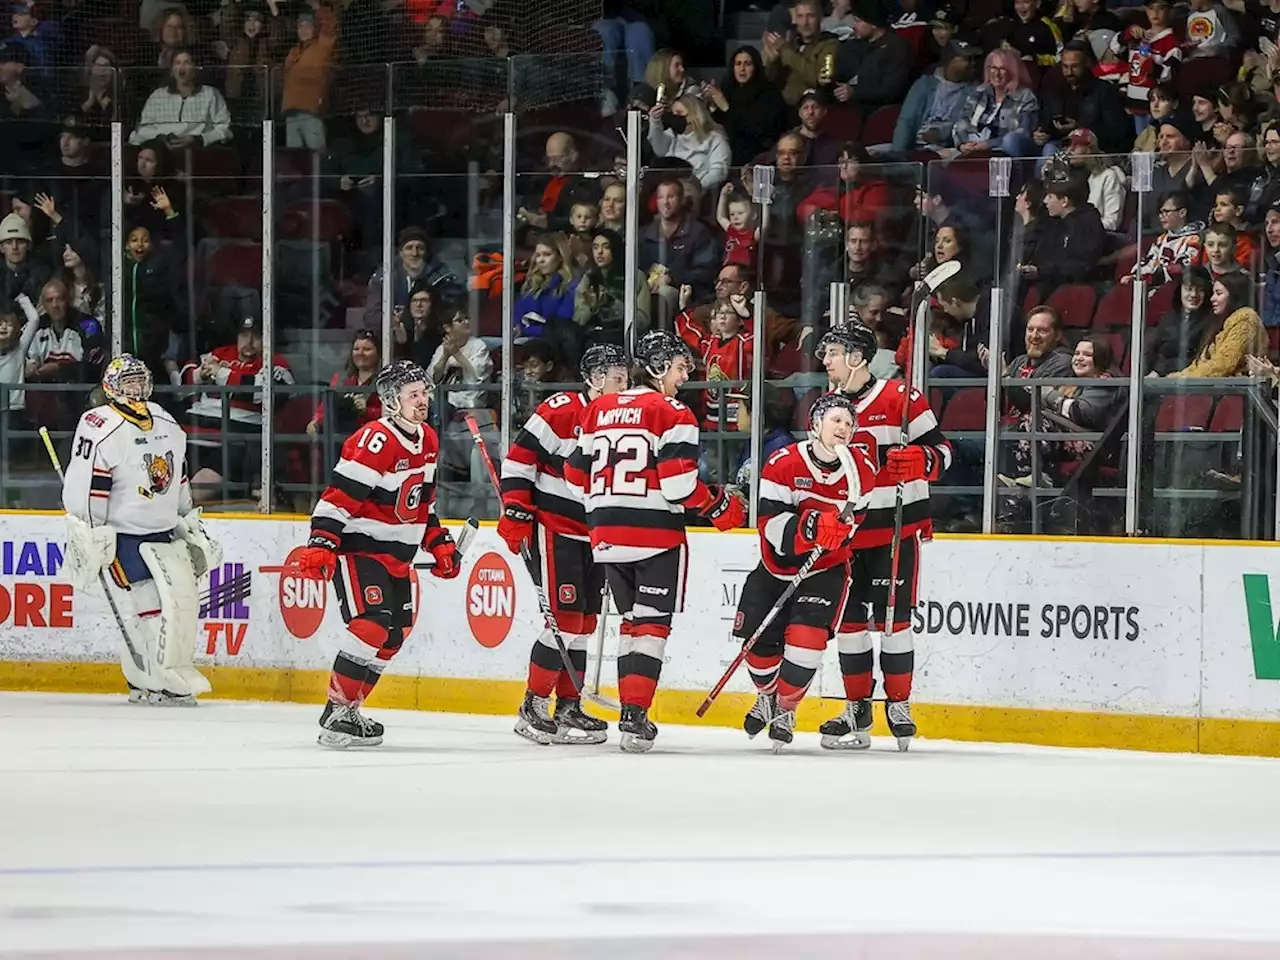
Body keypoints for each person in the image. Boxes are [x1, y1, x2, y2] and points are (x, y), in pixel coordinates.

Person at [565, 331, 747, 752]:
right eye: (681, 366)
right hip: (653, 533)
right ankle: (634, 715)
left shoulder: (599, 408)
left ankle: (632, 711)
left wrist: (606, 503)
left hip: (604, 531)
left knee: (631, 621)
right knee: (650, 624)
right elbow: (680, 484)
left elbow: (575, 477)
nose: (686, 375)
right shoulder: (673, 412)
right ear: (658, 367)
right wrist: (718, 506)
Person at [291, 360, 460, 748]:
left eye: (425, 393)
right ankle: (336, 710)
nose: (422, 401)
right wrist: (321, 543)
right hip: (360, 550)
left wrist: (439, 543)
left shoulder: (428, 439)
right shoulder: (375, 440)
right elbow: (338, 500)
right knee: (371, 624)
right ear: (390, 401)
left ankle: (350, 708)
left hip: (397, 557)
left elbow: (423, 505)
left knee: (393, 635)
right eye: (413, 395)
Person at [817, 323, 952, 750]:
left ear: (857, 356)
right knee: (851, 626)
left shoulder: (901, 398)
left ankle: (899, 703)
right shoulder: (826, 408)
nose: (826, 360)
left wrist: (920, 461)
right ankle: (857, 706)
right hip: (846, 537)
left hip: (895, 532)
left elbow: (944, 454)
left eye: (834, 353)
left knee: (895, 624)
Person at [60, 355, 221, 705]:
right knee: (148, 603)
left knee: (180, 604)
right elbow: (87, 485)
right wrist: (90, 529)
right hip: (124, 533)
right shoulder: (99, 424)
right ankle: (156, 677)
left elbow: (178, 474)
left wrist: (186, 517)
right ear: (111, 387)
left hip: (164, 531)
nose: (135, 388)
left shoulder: (164, 419)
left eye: (139, 380)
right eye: (127, 381)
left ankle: (143, 673)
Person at [499, 344, 630, 746]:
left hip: (595, 536)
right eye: (617, 378)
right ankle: (533, 704)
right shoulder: (560, 409)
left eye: (627, 379)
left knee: (585, 624)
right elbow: (520, 460)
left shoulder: (620, 420)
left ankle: (568, 707)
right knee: (564, 620)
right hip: (554, 528)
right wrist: (517, 509)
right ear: (593, 379)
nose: (624, 386)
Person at [733, 392, 879, 750]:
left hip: (825, 568)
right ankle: (767, 695)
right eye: (836, 420)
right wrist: (811, 527)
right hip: (775, 566)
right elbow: (769, 523)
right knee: (755, 642)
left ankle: (785, 709)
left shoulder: (862, 472)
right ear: (815, 425)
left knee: (807, 639)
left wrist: (839, 531)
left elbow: (852, 524)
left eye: (849, 423)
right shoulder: (782, 461)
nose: (843, 427)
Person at [1167, 272, 1266, 377]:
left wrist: (1182, 379)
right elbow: (1199, 364)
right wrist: (1176, 377)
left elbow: (1223, 365)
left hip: (1235, 390)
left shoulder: (1247, 320)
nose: (1212, 298)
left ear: (1235, 295)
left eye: (1218, 293)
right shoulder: (1220, 322)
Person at [704, 44, 790, 165]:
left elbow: (757, 130)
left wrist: (725, 107)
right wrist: (713, 105)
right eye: (738, 64)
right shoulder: (728, 90)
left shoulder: (769, 94)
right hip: (727, 155)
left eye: (747, 64)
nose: (742, 69)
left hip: (758, 157)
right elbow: (723, 122)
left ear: (756, 67)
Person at [129, 50, 233, 148]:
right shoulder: (158, 95)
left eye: (186, 63)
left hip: (200, 150)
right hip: (162, 149)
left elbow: (224, 127)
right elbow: (143, 128)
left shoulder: (210, 94)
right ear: (172, 69)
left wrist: (199, 139)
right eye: (177, 63)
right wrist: (161, 138)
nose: (181, 68)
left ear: (195, 68)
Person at [951, 47, 1040, 157]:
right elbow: (962, 121)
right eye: (993, 68)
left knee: (1010, 140)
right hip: (973, 148)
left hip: (1004, 152)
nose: (996, 74)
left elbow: (1024, 133)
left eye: (1002, 69)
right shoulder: (979, 92)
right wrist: (963, 144)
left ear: (1013, 72)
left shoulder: (1026, 97)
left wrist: (989, 144)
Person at [646, 93, 732, 196]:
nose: (675, 118)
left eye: (679, 114)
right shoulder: (671, 135)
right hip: (670, 196)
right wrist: (655, 121)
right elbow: (659, 149)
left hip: (702, 195)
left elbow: (719, 173)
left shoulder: (715, 139)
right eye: (673, 114)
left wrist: (693, 188)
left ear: (694, 115)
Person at [308, 329, 382, 439]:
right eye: (356, 349)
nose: (360, 353)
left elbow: (395, 413)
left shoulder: (385, 380)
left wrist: (368, 411)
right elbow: (326, 406)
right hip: (341, 438)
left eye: (367, 349)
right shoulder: (340, 378)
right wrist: (316, 421)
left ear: (378, 353)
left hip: (372, 438)